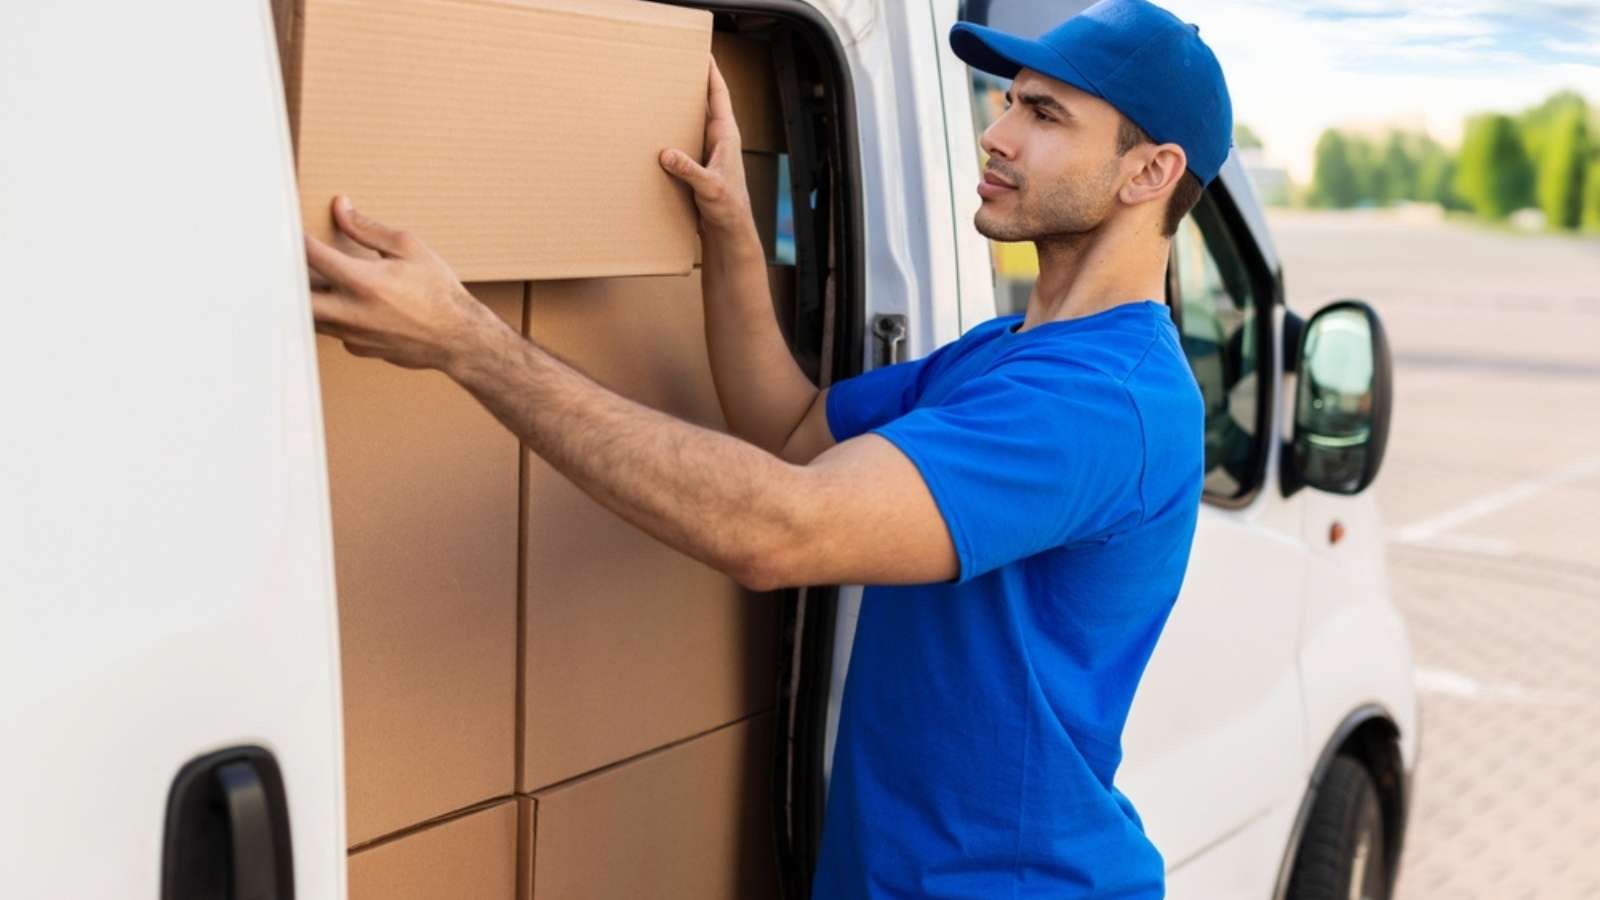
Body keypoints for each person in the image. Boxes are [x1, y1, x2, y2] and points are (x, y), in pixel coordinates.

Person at [305, 0, 1231, 894]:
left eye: (1044, 113)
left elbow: (777, 528)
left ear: (1147, 173)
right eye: (1008, 99)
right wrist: (732, 231)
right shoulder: (1004, 356)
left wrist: (467, 343)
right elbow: (788, 431)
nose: (997, 132)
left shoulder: (1103, 402)